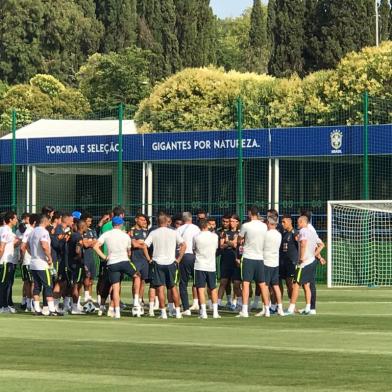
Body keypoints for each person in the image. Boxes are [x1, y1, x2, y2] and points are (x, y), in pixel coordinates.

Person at [93, 216, 140, 319]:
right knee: (137, 276)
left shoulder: (106, 234)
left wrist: (104, 257)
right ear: (121, 224)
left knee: (115, 287)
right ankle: (136, 301)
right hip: (124, 261)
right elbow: (129, 252)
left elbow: (95, 246)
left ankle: (117, 312)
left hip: (112, 263)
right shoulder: (125, 235)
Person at [143, 214, 186, 319]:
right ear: (167, 222)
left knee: (160, 288)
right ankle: (178, 312)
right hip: (171, 263)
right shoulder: (174, 232)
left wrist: (149, 259)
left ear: (158, 222)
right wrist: (178, 259)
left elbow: (144, 246)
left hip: (158, 263)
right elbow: (184, 245)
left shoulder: (154, 232)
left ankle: (163, 313)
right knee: (173, 287)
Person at [286, 215, 324, 316]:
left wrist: (301, 258)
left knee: (296, 284)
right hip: (311, 261)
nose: (297, 224)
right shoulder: (312, 232)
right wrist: (314, 255)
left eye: (298, 222)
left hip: (304, 263)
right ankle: (308, 308)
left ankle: (291, 308)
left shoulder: (303, 231)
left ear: (303, 222)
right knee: (306, 285)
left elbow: (303, 243)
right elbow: (321, 245)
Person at [236, 206, 269, 318]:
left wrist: (243, 241)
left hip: (248, 257)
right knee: (262, 285)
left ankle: (245, 310)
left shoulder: (246, 225)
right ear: (258, 214)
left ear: (250, 214)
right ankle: (267, 309)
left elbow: (239, 240)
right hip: (260, 257)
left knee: (245, 283)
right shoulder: (264, 226)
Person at [28, 214, 60, 316]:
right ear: (45, 221)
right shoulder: (44, 232)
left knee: (37, 286)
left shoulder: (32, 231)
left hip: (33, 263)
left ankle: (37, 309)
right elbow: (44, 245)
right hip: (42, 264)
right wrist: (49, 257)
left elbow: (27, 246)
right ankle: (51, 309)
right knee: (48, 285)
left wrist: (33, 254)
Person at [256, 216, 284, 317]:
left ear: (268, 223)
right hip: (275, 262)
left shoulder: (266, 234)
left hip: (266, 261)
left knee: (265, 286)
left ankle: (266, 309)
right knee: (276, 286)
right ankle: (280, 308)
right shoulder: (279, 234)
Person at [193, 219, 220, 319]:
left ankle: (203, 312)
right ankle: (215, 312)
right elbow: (216, 248)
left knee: (200, 289)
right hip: (211, 266)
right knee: (213, 288)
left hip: (200, 265)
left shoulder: (196, 237)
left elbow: (194, 249)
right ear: (207, 225)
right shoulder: (215, 236)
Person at [176, 212, 200, 315]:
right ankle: (201, 306)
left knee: (183, 283)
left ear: (183, 219)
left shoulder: (179, 229)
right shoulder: (196, 228)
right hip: (195, 256)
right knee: (198, 282)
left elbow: (177, 244)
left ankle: (186, 308)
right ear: (191, 218)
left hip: (184, 256)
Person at [129, 213, 150, 308]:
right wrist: (143, 245)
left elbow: (148, 244)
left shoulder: (146, 232)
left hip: (145, 259)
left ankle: (140, 300)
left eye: (144, 220)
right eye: (142, 220)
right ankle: (135, 300)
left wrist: (141, 244)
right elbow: (134, 245)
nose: (144, 221)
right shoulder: (132, 231)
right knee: (136, 279)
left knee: (143, 281)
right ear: (136, 220)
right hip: (135, 259)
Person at [0, 211, 19, 313]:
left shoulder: (8, 230)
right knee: (3, 284)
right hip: (4, 261)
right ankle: (2, 306)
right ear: (10, 220)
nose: (16, 220)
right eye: (15, 218)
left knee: (7, 284)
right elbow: (1, 247)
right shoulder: (5, 230)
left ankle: (5, 305)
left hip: (8, 261)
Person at [68, 220, 87, 314]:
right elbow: (77, 250)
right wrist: (79, 257)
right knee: (76, 285)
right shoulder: (79, 237)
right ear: (83, 227)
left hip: (70, 263)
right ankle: (75, 307)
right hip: (77, 264)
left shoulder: (72, 235)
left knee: (73, 284)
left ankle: (71, 305)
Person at [20, 213, 38, 312]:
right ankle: (30, 304)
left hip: (28, 261)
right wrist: (26, 257)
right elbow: (23, 247)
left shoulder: (31, 230)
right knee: (31, 283)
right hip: (28, 261)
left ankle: (28, 304)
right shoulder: (30, 231)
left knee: (28, 283)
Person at [279, 214, 298, 300]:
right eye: (282, 222)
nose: (282, 224)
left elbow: (302, 245)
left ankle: (292, 305)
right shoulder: (284, 234)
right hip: (283, 262)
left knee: (290, 283)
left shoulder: (295, 233)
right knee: (280, 282)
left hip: (292, 262)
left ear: (290, 221)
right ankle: (278, 305)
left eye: (284, 222)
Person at [81, 212, 98, 303]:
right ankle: (85, 297)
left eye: (90, 221)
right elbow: (86, 244)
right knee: (86, 278)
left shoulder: (92, 231)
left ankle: (89, 297)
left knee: (91, 278)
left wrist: (90, 242)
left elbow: (96, 242)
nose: (90, 223)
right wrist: (91, 242)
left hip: (92, 257)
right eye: (88, 221)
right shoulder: (82, 231)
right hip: (85, 258)